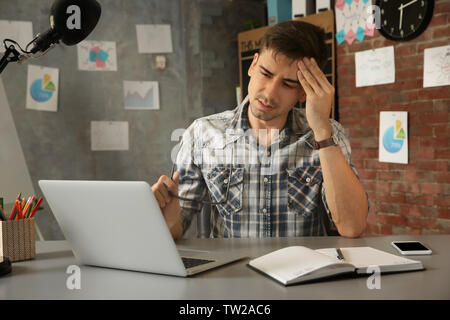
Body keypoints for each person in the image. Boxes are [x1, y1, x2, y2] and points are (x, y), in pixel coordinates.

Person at [152, 20, 369, 239]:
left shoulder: (329, 134)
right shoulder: (202, 134)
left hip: (303, 271)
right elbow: (175, 228)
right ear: (253, 65)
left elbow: (352, 227)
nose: (270, 93)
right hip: (231, 272)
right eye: (265, 73)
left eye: (287, 84)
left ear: (304, 92)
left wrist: (322, 130)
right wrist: (163, 217)